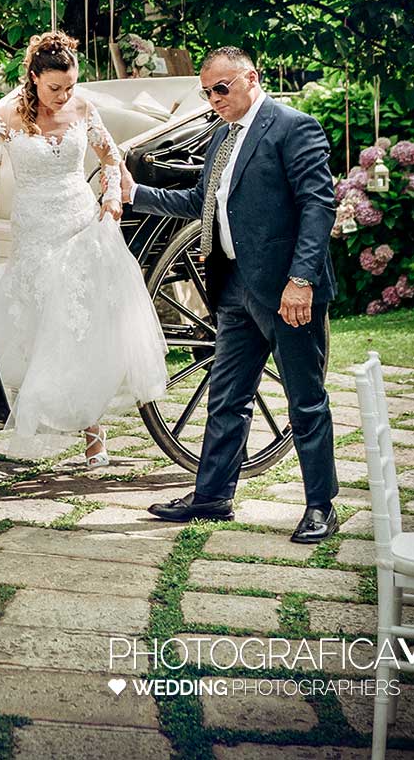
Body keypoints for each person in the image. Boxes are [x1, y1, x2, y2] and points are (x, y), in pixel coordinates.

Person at [121, 46, 339, 543]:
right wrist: (136, 194)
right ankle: (213, 495)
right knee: (226, 396)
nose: (214, 98)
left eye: (222, 87)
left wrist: (301, 281)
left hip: (286, 288)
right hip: (232, 285)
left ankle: (320, 506)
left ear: (251, 78)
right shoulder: (221, 136)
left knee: (305, 400)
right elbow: (202, 203)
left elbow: (318, 207)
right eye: (207, 91)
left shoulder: (292, 127)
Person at [0, 31, 167, 465]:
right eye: (55, 88)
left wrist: (112, 197)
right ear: (34, 78)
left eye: (70, 86)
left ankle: (95, 432)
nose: (63, 96)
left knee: (77, 323)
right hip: (36, 230)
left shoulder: (83, 109)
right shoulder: (10, 116)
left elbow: (112, 159)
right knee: (38, 324)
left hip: (79, 222)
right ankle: (32, 401)